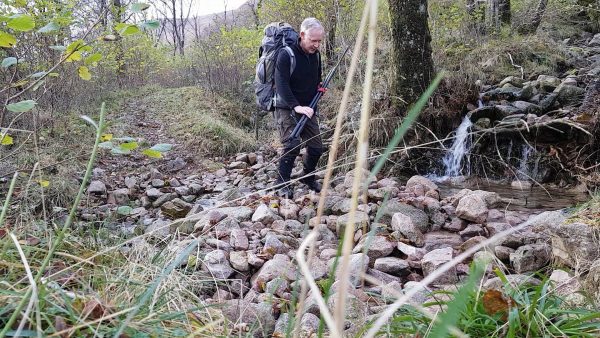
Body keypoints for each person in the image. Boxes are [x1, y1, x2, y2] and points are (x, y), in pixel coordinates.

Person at [273, 17, 325, 199]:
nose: (317, 45)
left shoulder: (316, 55)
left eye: (319, 41)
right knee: (292, 144)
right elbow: (281, 85)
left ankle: (308, 177)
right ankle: (282, 182)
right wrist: (296, 107)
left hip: (308, 107)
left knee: (317, 147)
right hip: (286, 107)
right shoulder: (285, 54)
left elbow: (317, 78)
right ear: (302, 35)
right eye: (313, 40)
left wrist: (319, 89)